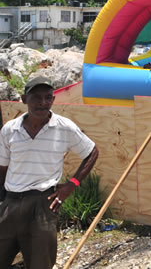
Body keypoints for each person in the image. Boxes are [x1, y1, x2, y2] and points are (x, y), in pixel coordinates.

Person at [0, 76, 99, 269]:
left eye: (48, 97)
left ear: (53, 100)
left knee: (41, 263)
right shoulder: (9, 130)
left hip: (44, 204)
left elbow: (92, 152)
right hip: (11, 203)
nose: (43, 103)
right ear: (23, 99)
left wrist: (71, 185)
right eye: (36, 97)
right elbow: (2, 168)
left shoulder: (64, 127)